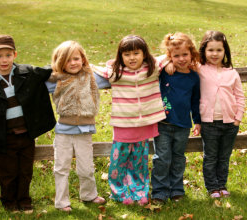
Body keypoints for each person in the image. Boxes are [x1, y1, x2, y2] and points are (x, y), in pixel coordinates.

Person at [0, 35, 56, 213]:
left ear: (15, 55)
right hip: (6, 137)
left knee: (26, 171)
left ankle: (24, 200)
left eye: (8, 55)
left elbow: (49, 71)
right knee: (8, 172)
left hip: (27, 134)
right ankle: (9, 201)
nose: (4, 60)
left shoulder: (28, 73)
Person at [92, 35, 168, 206]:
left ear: (144, 54)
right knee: (119, 160)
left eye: (136, 53)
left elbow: (167, 56)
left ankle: (139, 190)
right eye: (127, 54)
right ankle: (119, 192)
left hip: (144, 124)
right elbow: (94, 68)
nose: (132, 58)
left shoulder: (152, 68)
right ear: (121, 56)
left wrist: (170, 42)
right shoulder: (115, 73)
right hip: (123, 124)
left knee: (139, 160)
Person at [45, 40, 106, 212]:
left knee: (86, 167)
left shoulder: (91, 77)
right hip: (64, 131)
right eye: (67, 60)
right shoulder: (54, 80)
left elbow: (113, 75)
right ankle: (62, 202)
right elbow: (34, 82)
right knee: (61, 168)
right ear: (60, 62)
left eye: (76, 59)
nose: (73, 63)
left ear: (83, 59)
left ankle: (89, 194)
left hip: (84, 131)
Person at [151, 32, 201, 204]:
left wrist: (198, 121)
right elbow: (151, 62)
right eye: (176, 56)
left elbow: (195, 101)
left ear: (192, 54)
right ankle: (159, 192)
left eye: (185, 54)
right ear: (170, 56)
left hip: (183, 125)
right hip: (163, 123)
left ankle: (177, 190)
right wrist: (167, 63)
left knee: (178, 158)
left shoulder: (194, 77)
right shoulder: (164, 72)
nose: (181, 59)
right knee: (162, 158)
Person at [198, 31, 245, 198]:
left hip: (229, 123)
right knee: (210, 157)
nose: (215, 54)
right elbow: (172, 57)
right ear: (203, 51)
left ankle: (222, 185)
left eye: (219, 50)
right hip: (209, 123)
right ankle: (212, 188)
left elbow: (240, 96)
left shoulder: (231, 73)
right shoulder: (199, 69)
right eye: (210, 50)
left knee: (224, 158)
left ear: (225, 51)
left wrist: (237, 118)